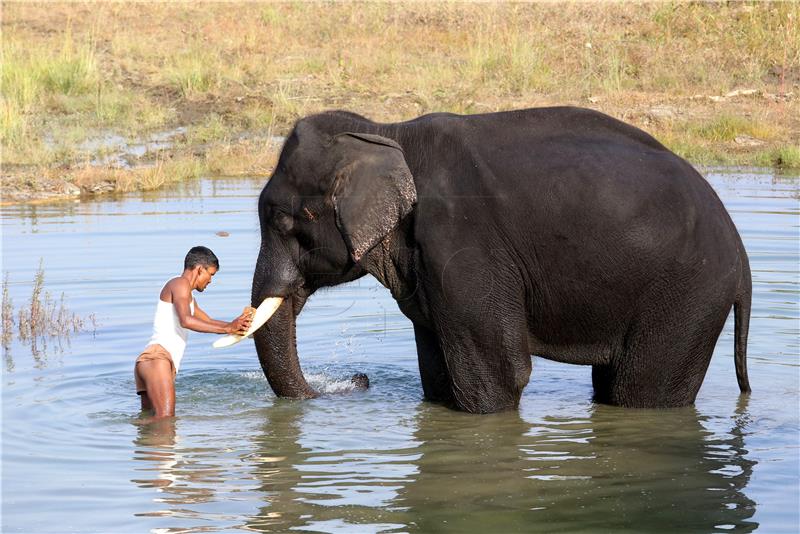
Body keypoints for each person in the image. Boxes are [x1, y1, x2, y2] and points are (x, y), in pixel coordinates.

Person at [135, 246, 253, 418]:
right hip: (158, 359)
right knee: (166, 422)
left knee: (150, 424)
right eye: (211, 274)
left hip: (150, 362)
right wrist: (229, 327)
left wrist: (243, 328)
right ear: (199, 269)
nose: (210, 281)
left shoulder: (188, 298)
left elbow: (209, 322)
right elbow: (186, 320)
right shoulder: (179, 283)